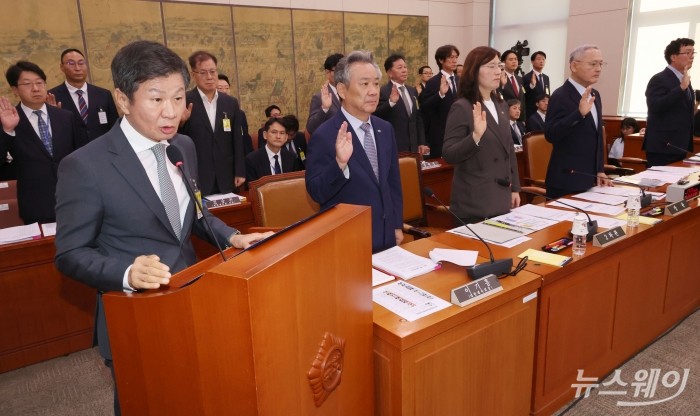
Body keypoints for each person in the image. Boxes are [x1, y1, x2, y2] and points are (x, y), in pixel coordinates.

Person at [54, 40, 271, 415]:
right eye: (156, 99)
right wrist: (126, 272)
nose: (170, 112)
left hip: (192, 300)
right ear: (123, 100)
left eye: (176, 98)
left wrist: (233, 237)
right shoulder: (86, 166)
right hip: (136, 317)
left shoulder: (182, 146)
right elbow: (70, 254)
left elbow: (195, 214)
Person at [305, 50, 403, 253]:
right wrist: (339, 165)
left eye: (376, 83)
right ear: (342, 90)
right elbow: (316, 192)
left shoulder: (385, 129)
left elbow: (392, 182)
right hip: (349, 242)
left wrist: (396, 224)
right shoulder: (325, 135)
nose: (374, 91)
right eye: (365, 84)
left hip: (386, 237)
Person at [0, 60, 88, 224]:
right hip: (36, 205)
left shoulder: (65, 116)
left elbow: (82, 154)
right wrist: (7, 131)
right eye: (27, 84)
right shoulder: (9, 120)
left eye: (39, 82)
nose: (35, 88)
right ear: (14, 90)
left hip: (74, 200)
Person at [442, 46, 521, 224]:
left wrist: (515, 187)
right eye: (491, 66)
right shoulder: (462, 107)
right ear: (475, 70)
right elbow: (449, 154)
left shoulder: (501, 105)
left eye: (499, 66)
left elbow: (508, 149)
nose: (498, 71)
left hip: (501, 198)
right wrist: (475, 137)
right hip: (475, 203)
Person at [545, 44, 611, 199]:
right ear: (574, 66)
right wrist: (578, 114)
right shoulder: (560, 95)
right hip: (567, 180)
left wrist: (599, 170)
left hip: (590, 179)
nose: (598, 69)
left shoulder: (595, 94)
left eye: (601, 64)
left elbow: (597, 137)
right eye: (593, 64)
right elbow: (551, 134)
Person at [179, 51, 246, 196]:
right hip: (197, 175)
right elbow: (175, 141)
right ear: (193, 74)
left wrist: (240, 171)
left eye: (212, 71)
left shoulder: (230, 102)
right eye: (203, 72)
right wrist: (181, 122)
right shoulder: (183, 100)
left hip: (227, 176)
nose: (209, 77)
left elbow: (237, 140)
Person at [643, 38, 695, 167]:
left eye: (694, 53)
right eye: (688, 53)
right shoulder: (659, 79)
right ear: (673, 57)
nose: (692, 57)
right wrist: (681, 88)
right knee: (659, 186)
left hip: (679, 146)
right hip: (663, 147)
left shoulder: (684, 79)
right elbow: (655, 105)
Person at [48, 48, 118, 142]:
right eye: (71, 63)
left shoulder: (104, 94)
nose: (77, 68)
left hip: (102, 150)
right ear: (62, 67)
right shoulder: (52, 96)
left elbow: (114, 127)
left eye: (81, 63)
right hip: (72, 153)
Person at [374, 54, 429, 154]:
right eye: (399, 68)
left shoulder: (412, 91)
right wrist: (391, 102)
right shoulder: (383, 91)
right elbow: (376, 114)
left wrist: (421, 142)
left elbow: (418, 118)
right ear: (390, 73)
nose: (404, 70)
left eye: (405, 67)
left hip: (413, 146)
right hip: (394, 145)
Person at [420, 44, 460, 159]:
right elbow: (425, 107)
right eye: (451, 57)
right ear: (441, 60)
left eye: (456, 57)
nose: (455, 60)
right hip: (440, 134)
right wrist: (440, 94)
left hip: (459, 131)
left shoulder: (460, 80)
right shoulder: (433, 82)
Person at [246, 117, 300, 182]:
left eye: (282, 133)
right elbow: (253, 188)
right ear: (265, 135)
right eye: (274, 132)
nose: (278, 136)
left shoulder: (291, 158)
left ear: (286, 137)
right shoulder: (252, 159)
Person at [305, 53, 344, 135]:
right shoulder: (319, 97)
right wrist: (324, 108)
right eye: (337, 71)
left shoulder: (351, 93)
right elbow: (311, 127)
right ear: (327, 72)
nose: (341, 74)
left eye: (343, 70)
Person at [217, 73, 254, 156]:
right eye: (220, 88)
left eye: (227, 88)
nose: (224, 91)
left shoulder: (240, 113)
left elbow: (245, 138)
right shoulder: (211, 114)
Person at [498, 50, 525, 121]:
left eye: (516, 59)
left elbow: (522, 99)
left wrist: (523, 119)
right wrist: (502, 84)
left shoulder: (519, 79)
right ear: (503, 62)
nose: (514, 61)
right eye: (511, 59)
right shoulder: (499, 76)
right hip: (504, 117)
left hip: (518, 119)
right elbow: (497, 96)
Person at [523, 51, 550, 117]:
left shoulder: (546, 78)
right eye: (538, 59)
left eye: (543, 59)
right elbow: (523, 94)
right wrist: (532, 85)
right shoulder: (526, 77)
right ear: (532, 62)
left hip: (544, 113)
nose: (541, 61)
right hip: (532, 113)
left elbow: (547, 94)